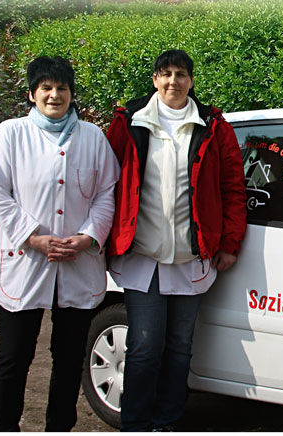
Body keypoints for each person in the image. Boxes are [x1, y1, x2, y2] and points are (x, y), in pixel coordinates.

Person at [105, 49, 247, 431]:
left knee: (180, 348)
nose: (173, 82)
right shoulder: (129, 122)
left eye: (181, 74)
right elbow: (106, 183)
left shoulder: (214, 126)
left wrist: (229, 244)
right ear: (155, 80)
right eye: (165, 74)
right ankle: (135, 423)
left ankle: (167, 422)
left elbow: (233, 187)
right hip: (142, 256)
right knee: (145, 347)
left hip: (191, 257)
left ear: (191, 80)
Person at [0, 56, 119, 431]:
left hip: (77, 261)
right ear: (32, 94)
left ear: (72, 94)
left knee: (69, 356)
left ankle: (59, 427)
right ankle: (3, 428)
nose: (54, 95)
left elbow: (107, 192)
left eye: (61, 88)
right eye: (46, 88)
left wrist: (88, 236)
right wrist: (32, 237)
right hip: (25, 260)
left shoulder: (92, 137)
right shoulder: (11, 134)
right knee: (13, 356)